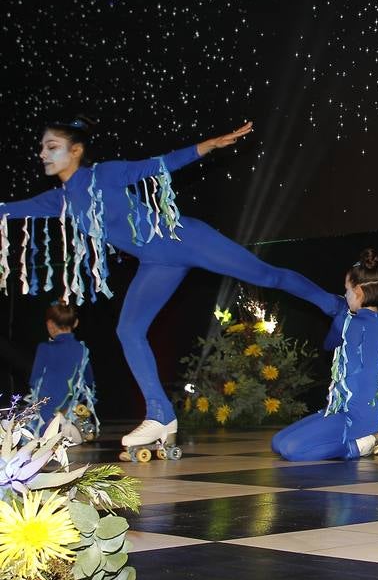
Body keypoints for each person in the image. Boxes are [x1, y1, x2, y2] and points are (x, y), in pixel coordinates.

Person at [0, 117, 345, 455]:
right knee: (129, 329)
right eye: (42, 148)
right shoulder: (59, 200)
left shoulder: (103, 174)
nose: (43, 154)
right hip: (157, 263)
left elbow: (158, 165)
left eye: (52, 147)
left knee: (268, 276)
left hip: (184, 238)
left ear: (75, 150)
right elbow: (10, 209)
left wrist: (206, 146)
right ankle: (160, 414)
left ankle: (334, 305)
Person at [271, 249, 378, 461]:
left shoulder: (364, 325)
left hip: (356, 417)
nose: (345, 295)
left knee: (291, 449)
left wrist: (339, 319)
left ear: (359, 292)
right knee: (278, 442)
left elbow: (336, 350)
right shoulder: (368, 322)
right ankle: (363, 436)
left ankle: (360, 445)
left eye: (347, 290)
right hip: (342, 410)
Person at [26, 301, 97, 443]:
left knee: (25, 426)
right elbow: (89, 382)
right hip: (69, 406)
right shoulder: (82, 350)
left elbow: (34, 381)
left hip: (47, 407)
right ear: (75, 323)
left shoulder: (45, 348)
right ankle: (70, 424)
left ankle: (53, 426)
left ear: (50, 324)